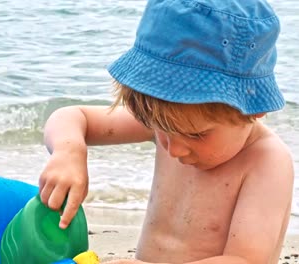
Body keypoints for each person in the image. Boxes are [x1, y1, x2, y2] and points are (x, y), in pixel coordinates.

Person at [38, 0, 295, 263]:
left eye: (196, 135)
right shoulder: (170, 119)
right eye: (162, 130)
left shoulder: (266, 162)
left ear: (252, 110)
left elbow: (245, 260)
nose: (174, 149)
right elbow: (71, 116)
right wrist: (69, 152)